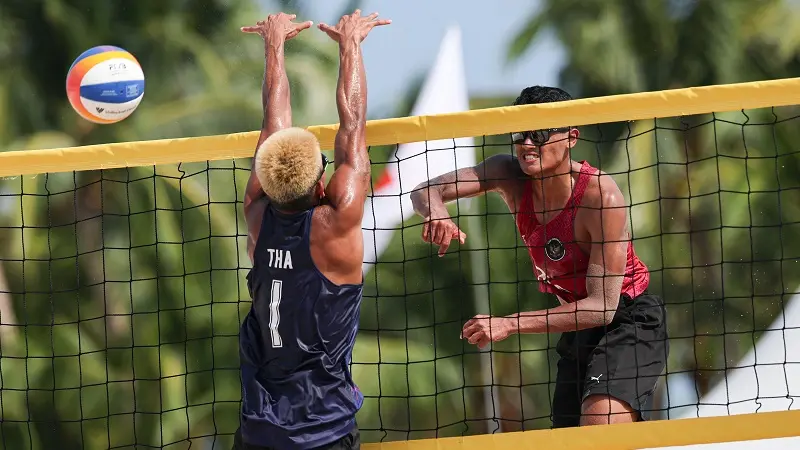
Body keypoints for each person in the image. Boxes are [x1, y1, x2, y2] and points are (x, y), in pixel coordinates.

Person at [409, 86, 669, 428]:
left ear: (571, 137)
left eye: (541, 133)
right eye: (521, 133)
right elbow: (425, 189)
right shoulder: (508, 174)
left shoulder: (600, 196)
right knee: (568, 437)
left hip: (628, 319)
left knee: (600, 420)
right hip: (578, 324)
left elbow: (602, 307)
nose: (528, 143)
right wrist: (436, 213)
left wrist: (508, 324)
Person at [235, 10, 390, 450]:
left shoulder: (256, 215)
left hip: (259, 430)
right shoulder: (334, 224)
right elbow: (353, 125)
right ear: (322, 185)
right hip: (322, 429)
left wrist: (274, 46)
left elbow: (273, 124)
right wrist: (350, 45)